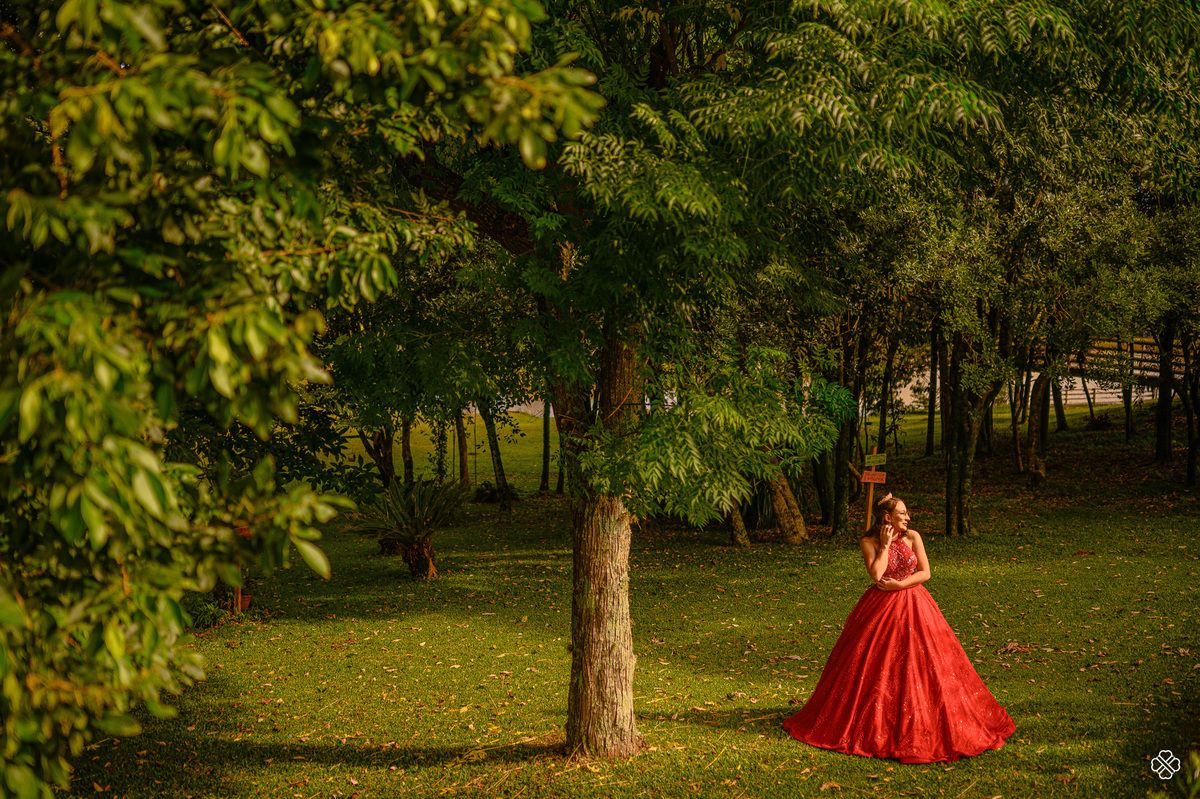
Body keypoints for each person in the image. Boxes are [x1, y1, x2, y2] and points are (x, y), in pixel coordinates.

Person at [782, 493, 1015, 763]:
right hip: (879, 608)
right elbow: (877, 574)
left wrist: (900, 586)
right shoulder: (868, 542)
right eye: (902, 513)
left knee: (925, 661)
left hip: (915, 602)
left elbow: (925, 573)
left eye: (906, 513)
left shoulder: (913, 537)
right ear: (887, 518)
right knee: (875, 662)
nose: (908, 517)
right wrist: (884, 545)